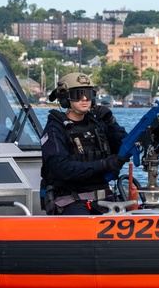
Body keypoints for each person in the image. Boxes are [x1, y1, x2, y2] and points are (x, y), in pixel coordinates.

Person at [40, 72, 128, 215]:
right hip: (71, 200)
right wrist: (103, 165)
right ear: (64, 98)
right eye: (78, 94)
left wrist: (111, 122)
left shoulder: (98, 123)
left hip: (105, 197)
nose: (85, 98)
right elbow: (62, 169)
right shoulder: (55, 130)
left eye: (88, 93)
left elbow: (125, 147)